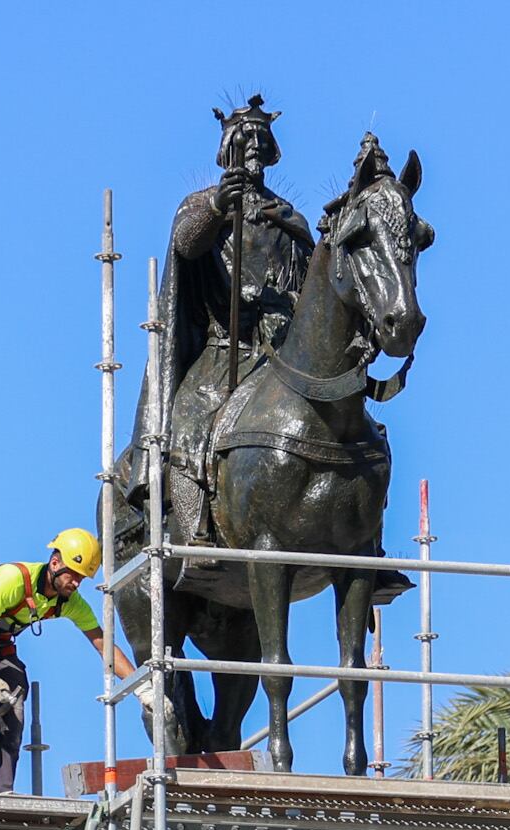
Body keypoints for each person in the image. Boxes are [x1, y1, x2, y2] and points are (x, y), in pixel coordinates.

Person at [120, 94, 315, 546]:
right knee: (189, 423)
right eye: (244, 139)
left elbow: (311, 281)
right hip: (223, 350)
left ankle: (360, 538)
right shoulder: (202, 204)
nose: (252, 147)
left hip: (281, 354)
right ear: (227, 148)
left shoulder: (287, 219)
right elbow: (187, 245)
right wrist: (215, 209)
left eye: (260, 139)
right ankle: (196, 533)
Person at [0, 529, 147, 794]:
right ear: (55, 563)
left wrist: (141, 688)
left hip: (0, 646)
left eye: (82, 578)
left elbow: (103, 645)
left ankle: (1, 794)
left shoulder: (69, 603)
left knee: (13, 712)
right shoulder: (14, 581)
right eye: (73, 575)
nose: (76, 583)